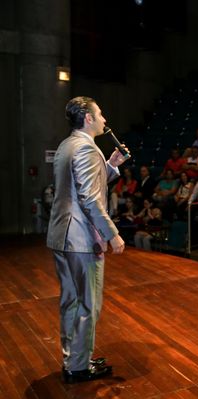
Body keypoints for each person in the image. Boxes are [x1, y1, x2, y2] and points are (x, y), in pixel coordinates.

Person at [47, 96, 126, 382]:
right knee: (88, 304)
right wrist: (112, 234)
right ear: (89, 118)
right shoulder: (88, 149)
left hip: (60, 236)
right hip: (81, 240)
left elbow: (78, 185)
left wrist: (111, 165)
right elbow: (90, 198)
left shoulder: (67, 145)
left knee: (71, 301)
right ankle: (79, 368)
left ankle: (73, 360)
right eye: (101, 114)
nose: (105, 120)